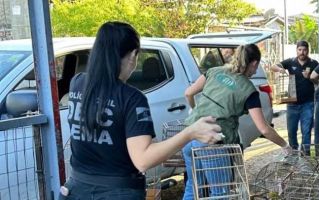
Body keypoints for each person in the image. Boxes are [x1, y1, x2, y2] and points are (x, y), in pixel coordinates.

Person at [59, 21, 221, 200]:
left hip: (75, 189)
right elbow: (143, 160)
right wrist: (190, 133)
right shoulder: (131, 98)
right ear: (133, 55)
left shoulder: (78, 83)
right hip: (117, 192)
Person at [183, 44, 291, 199]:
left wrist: (196, 111)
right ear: (254, 63)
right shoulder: (248, 89)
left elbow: (188, 93)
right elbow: (264, 129)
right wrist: (284, 145)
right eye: (256, 66)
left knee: (193, 188)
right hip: (213, 144)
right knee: (220, 194)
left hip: (190, 136)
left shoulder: (213, 71)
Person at [270, 41, 319, 154]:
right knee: (291, 131)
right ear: (296, 50)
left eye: (304, 50)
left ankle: (305, 154)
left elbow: (318, 81)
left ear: (308, 50)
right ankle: (293, 153)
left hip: (308, 103)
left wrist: (310, 77)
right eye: (300, 50)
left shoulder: (314, 63)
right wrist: (280, 69)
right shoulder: (290, 61)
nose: (302, 52)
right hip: (292, 102)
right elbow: (273, 66)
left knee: (306, 131)